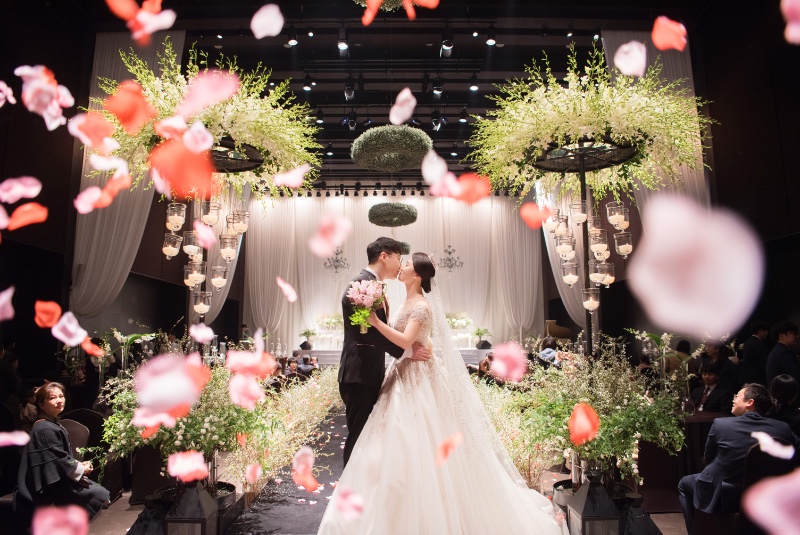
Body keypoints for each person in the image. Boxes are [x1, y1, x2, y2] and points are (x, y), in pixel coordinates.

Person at [318, 253, 564, 534]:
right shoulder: (406, 302)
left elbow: (406, 340)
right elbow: (416, 341)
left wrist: (375, 322)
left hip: (418, 379)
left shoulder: (421, 306)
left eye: (406, 264)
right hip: (401, 373)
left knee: (418, 436)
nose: (401, 267)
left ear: (417, 276)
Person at [337, 237, 429, 468]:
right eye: (399, 258)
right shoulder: (361, 285)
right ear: (384, 257)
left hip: (368, 372)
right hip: (359, 374)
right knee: (359, 437)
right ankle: (349, 485)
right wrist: (407, 352)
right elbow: (368, 334)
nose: (400, 264)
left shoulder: (372, 285)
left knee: (365, 436)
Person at [677, 383, 799, 534]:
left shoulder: (721, 425)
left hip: (725, 495)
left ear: (750, 402)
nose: (733, 399)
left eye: (737, 396)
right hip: (766, 492)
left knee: (684, 484)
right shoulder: (782, 428)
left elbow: (708, 459)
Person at [14, 382, 110, 521]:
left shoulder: (50, 423)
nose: (59, 400)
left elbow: (58, 456)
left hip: (58, 479)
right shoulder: (44, 428)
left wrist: (78, 464)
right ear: (41, 404)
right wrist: (81, 468)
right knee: (98, 495)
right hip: (48, 488)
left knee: (98, 493)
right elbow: (57, 460)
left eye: (61, 396)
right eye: (52, 398)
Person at [766, 321, 800, 387]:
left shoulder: (779, 349)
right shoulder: (783, 352)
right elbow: (796, 375)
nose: (797, 336)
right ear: (781, 335)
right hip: (785, 391)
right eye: (794, 333)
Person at [740, 321, 770, 386]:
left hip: (748, 377)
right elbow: (763, 362)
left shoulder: (747, 342)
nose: (767, 333)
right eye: (766, 331)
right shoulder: (758, 344)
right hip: (757, 378)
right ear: (760, 331)